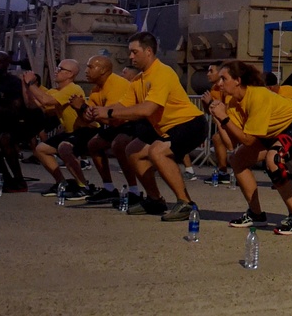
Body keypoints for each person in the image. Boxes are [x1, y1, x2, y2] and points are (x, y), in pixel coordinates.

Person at [88, 30, 205, 220]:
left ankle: (186, 203)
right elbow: (123, 106)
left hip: (190, 123)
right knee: (133, 150)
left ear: (148, 51)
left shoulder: (162, 73)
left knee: (156, 151)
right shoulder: (138, 81)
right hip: (168, 126)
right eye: (130, 52)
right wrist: (97, 111)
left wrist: (108, 112)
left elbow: (147, 110)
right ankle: (154, 200)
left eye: (134, 52)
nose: (130, 56)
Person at [208, 60, 292, 236]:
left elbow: (247, 140)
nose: (219, 84)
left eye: (224, 79)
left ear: (238, 80)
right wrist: (218, 118)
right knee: (237, 160)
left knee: (274, 159)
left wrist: (224, 118)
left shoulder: (257, 95)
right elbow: (232, 144)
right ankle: (256, 214)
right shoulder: (233, 103)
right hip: (273, 133)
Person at [71, 55, 138, 206]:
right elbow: (88, 119)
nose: (86, 71)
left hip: (131, 123)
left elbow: (113, 118)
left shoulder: (116, 84)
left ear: (103, 70)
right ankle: (108, 189)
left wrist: (83, 107)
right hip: (116, 124)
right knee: (93, 144)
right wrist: (79, 109)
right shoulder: (96, 90)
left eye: (90, 67)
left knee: (119, 144)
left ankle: (134, 191)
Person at [21, 59, 87, 197]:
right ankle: (62, 183)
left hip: (85, 130)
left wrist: (31, 83)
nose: (56, 71)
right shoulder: (55, 91)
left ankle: (83, 186)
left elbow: (46, 101)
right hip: (70, 131)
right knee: (41, 149)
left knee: (65, 149)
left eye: (61, 69)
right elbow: (32, 105)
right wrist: (25, 84)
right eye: (57, 68)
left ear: (70, 74)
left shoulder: (73, 89)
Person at [0, 52, 39, 190]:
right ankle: (3, 177)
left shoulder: (13, 83)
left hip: (20, 122)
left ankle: (20, 181)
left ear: (7, 64)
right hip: (3, 122)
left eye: (0, 62)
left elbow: (15, 111)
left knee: (5, 139)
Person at [200, 63, 234, 184]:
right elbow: (212, 111)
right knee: (217, 137)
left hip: (238, 122)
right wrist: (206, 103)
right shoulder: (214, 89)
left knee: (219, 138)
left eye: (211, 71)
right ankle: (222, 171)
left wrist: (212, 104)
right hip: (226, 123)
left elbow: (227, 111)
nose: (208, 74)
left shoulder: (229, 87)